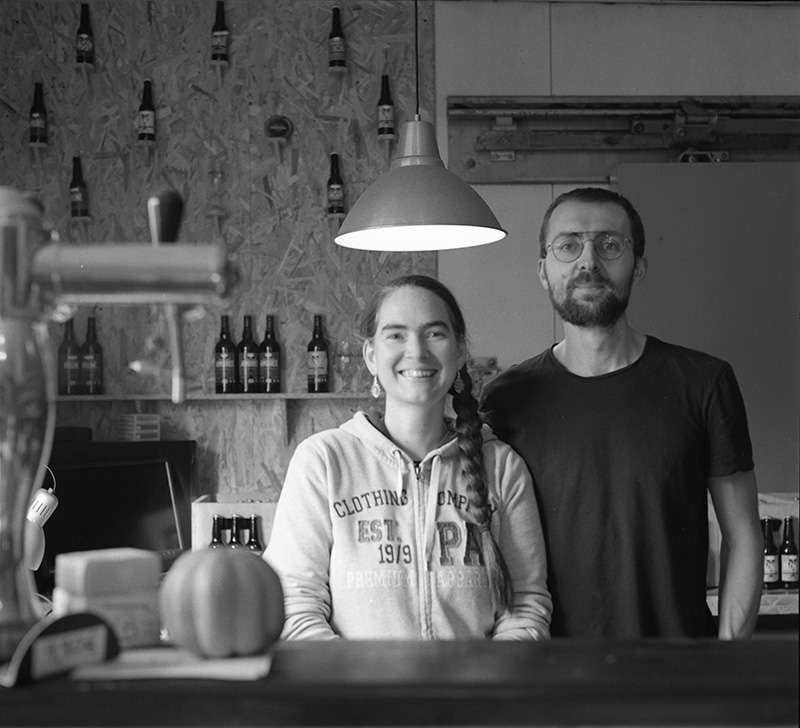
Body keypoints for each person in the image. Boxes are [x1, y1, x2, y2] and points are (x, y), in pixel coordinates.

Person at [480, 187, 762, 640]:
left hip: (677, 678)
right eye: (567, 245)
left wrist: (725, 661)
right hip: (550, 680)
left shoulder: (703, 383)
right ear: (543, 271)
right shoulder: (506, 399)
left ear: (640, 264)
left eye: (610, 244)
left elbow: (744, 536)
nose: (588, 261)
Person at [265, 275, 552, 640]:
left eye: (435, 333)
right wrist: (356, 692)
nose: (416, 351)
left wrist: (481, 691)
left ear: (460, 350)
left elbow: (525, 606)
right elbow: (294, 602)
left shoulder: (502, 467)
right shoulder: (323, 461)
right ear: (371, 355)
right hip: (351, 693)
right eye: (396, 335)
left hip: (476, 694)